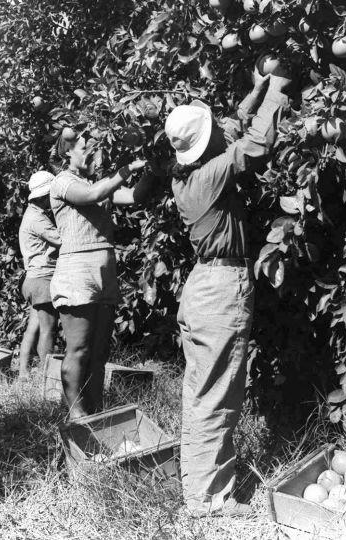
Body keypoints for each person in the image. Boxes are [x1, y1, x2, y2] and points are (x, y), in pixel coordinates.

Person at [163, 70, 291, 516]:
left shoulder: (185, 175)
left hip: (201, 286)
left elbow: (227, 131)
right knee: (217, 393)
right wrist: (276, 93)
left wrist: (255, 91)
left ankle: (198, 490)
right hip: (220, 290)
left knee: (201, 391)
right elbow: (253, 147)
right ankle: (210, 500)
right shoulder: (212, 175)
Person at [49, 131, 157, 419]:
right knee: (80, 348)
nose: (93, 153)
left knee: (98, 352)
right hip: (78, 272)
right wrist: (126, 170)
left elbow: (135, 195)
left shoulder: (93, 182)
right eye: (86, 148)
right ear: (68, 151)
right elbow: (93, 195)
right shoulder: (63, 182)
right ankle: (74, 415)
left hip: (103, 270)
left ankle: (94, 412)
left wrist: (152, 167)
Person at [17, 170, 62, 379]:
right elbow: (61, 239)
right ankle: (47, 378)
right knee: (48, 330)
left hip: (32, 279)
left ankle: (23, 373)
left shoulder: (31, 214)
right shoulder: (38, 219)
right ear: (44, 196)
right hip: (43, 279)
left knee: (33, 327)